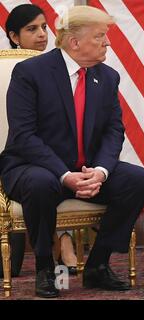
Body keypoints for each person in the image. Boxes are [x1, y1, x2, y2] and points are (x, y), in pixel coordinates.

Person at [0, 5, 144, 298]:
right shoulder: (30, 73)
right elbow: (24, 136)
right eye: (100, 37)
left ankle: (97, 265)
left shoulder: (107, 77)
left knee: (136, 179)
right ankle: (46, 269)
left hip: (86, 169)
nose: (107, 43)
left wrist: (101, 171)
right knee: (42, 183)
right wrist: (64, 174)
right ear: (74, 42)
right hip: (34, 166)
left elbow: (113, 131)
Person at [3, 3, 79, 278]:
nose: (42, 35)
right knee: (44, 178)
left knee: (60, 171)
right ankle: (62, 247)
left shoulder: (62, 68)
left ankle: (66, 245)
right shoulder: (15, 71)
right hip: (20, 158)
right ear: (13, 36)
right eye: (31, 29)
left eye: (45, 27)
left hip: (54, 155)